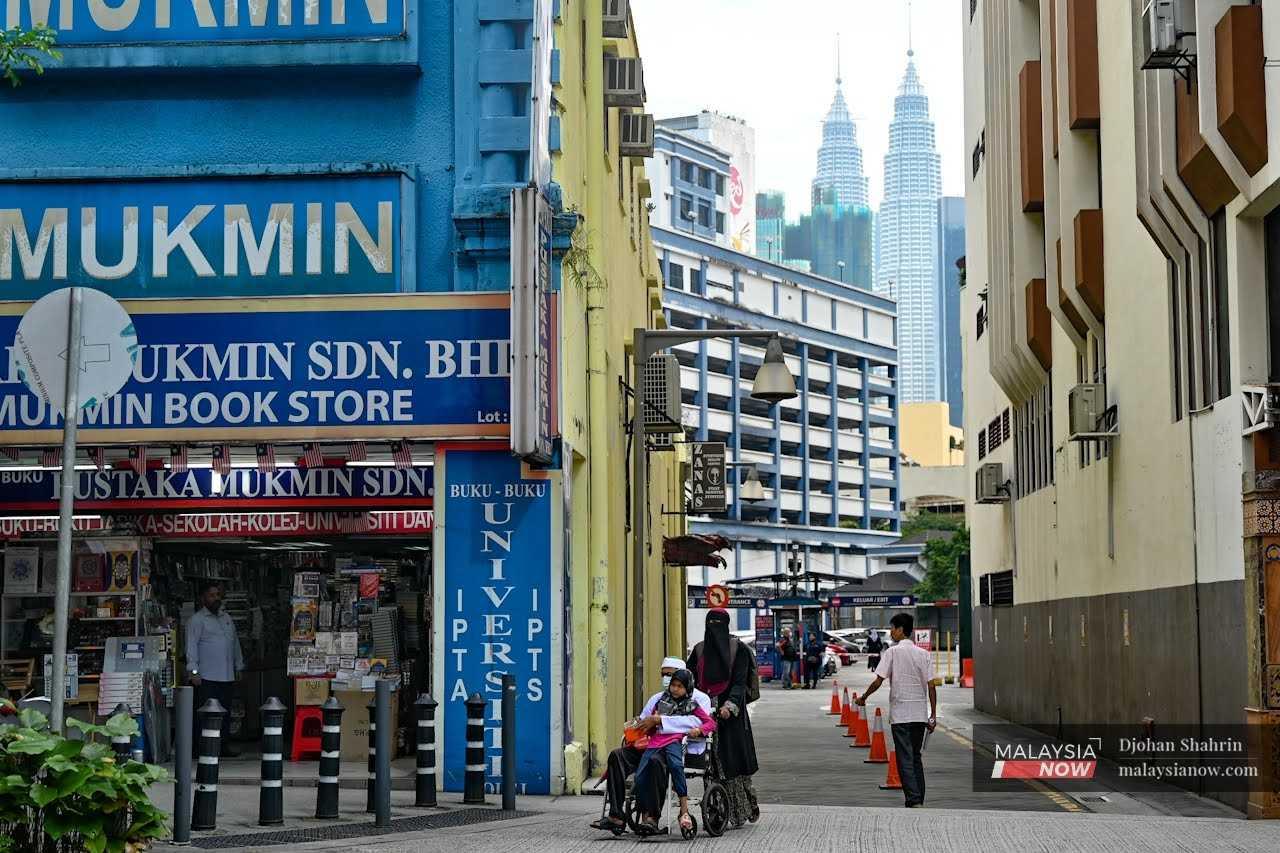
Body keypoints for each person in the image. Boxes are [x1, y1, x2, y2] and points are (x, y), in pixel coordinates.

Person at [592, 657, 712, 833]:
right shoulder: (658, 698)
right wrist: (637, 726)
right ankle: (616, 815)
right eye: (665, 676)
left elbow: (695, 722)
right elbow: (644, 720)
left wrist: (660, 720)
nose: (668, 681)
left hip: (679, 747)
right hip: (650, 743)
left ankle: (651, 817)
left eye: (671, 676)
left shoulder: (699, 699)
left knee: (655, 762)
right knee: (617, 756)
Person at [856, 612, 937, 808]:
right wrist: (933, 715)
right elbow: (932, 686)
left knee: (904, 758)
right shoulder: (924, 654)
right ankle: (919, 797)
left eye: (893, 628)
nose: (891, 632)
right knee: (915, 756)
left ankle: (913, 799)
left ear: (901, 630)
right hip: (919, 714)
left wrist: (864, 698)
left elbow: (878, 681)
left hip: (901, 714)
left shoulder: (892, 653)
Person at [687, 609, 760, 826]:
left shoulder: (739, 650)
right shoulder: (699, 650)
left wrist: (729, 706)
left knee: (735, 764)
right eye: (711, 623)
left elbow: (739, 683)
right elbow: (689, 680)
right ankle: (717, 808)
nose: (714, 627)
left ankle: (745, 806)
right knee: (711, 765)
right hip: (704, 713)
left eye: (718, 623)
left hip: (732, 717)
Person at [632, 669, 716, 836]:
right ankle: (646, 816)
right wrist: (643, 725)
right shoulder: (661, 701)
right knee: (640, 776)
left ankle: (683, 811)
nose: (675, 689)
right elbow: (649, 723)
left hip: (674, 742)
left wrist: (699, 730)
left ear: (688, 688)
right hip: (655, 743)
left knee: (676, 767)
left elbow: (711, 723)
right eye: (673, 685)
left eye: (680, 686)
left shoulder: (692, 705)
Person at [185, 582, 244, 757]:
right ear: (203, 598)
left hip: (226, 675)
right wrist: (193, 672)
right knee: (204, 714)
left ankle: (222, 746)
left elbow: (235, 644)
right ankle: (200, 748)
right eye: (211, 595)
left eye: (217, 595)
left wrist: (238, 665)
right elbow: (191, 648)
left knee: (224, 713)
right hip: (206, 677)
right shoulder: (196, 620)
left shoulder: (226, 618)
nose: (215, 598)